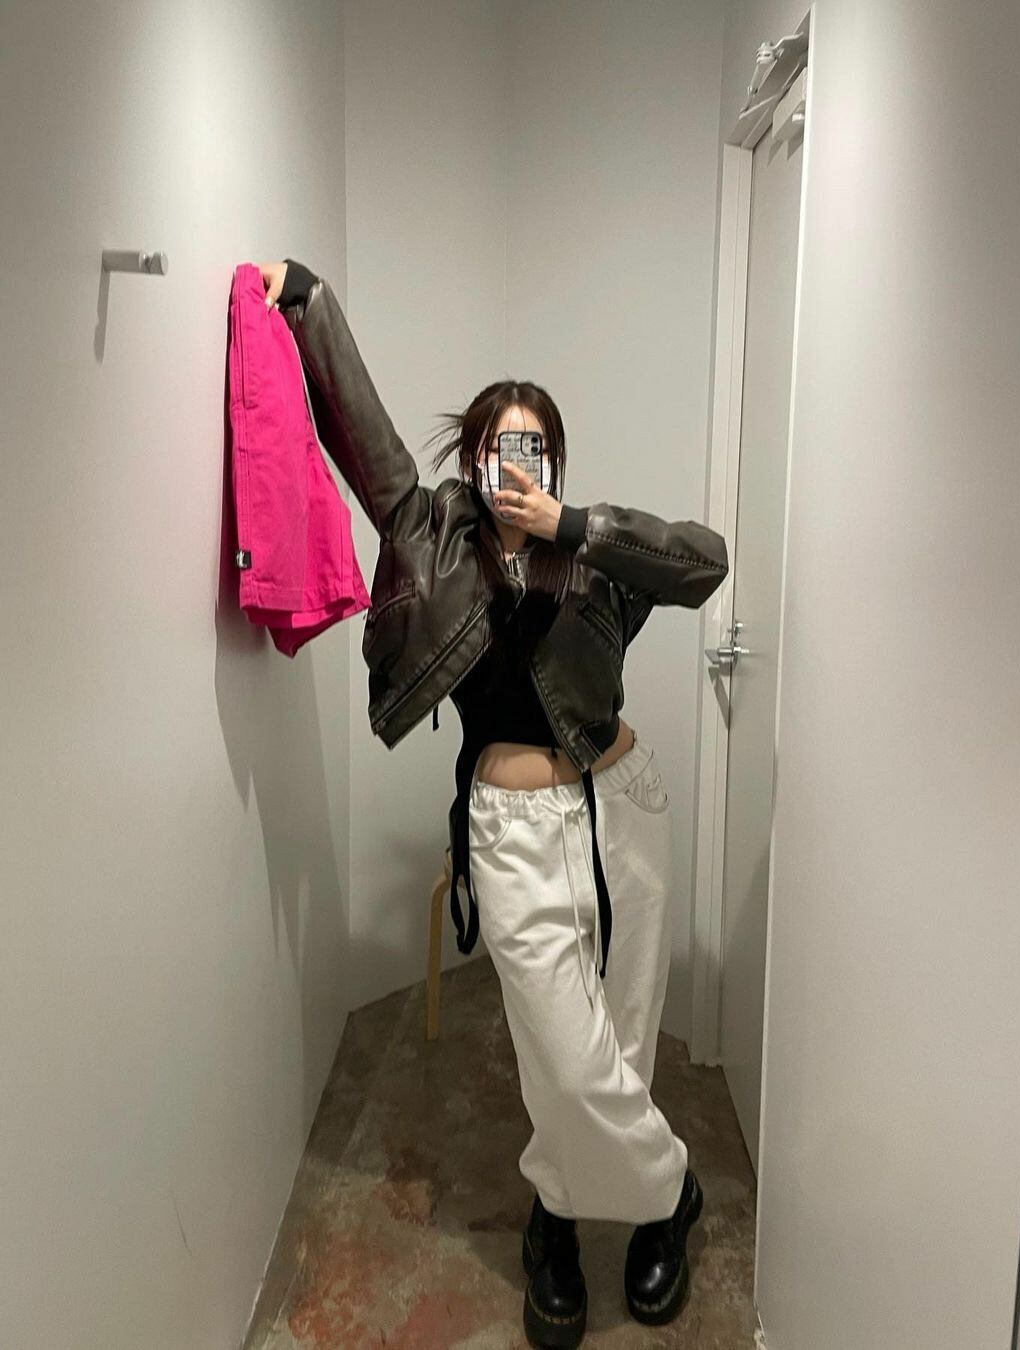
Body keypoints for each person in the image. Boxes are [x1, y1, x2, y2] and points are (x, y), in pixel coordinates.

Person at [260, 259, 728, 1348]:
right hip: (512, 833)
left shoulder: (596, 554)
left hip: (626, 809)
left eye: (536, 447)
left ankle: (559, 1222)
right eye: (499, 446)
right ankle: (671, 1192)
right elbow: (365, 435)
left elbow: (705, 565)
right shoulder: (428, 533)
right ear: (473, 458)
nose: (516, 463)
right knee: (564, 1057)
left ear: (554, 460)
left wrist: (576, 523)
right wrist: (309, 302)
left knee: (621, 1044)